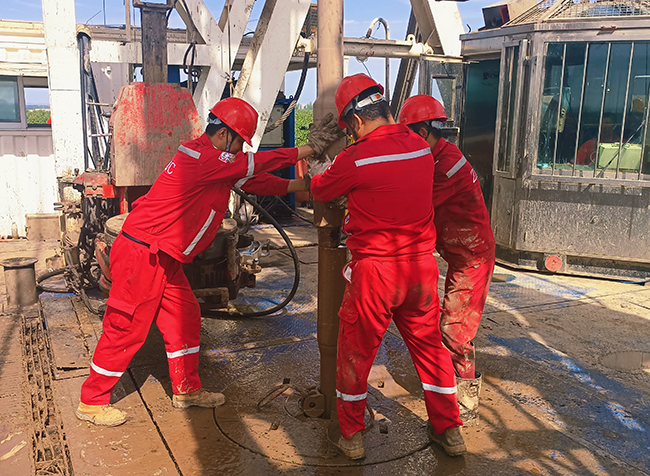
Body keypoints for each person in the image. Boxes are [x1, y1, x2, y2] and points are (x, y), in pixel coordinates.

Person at [77, 97, 342, 427]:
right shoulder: (201, 157)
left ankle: (186, 389)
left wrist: (303, 184)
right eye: (240, 143)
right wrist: (307, 149)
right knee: (127, 325)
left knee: (184, 316)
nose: (241, 151)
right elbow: (255, 165)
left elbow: (253, 180)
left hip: (163, 255)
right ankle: (92, 401)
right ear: (225, 135)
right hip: (142, 253)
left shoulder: (214, 159)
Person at [309, 74, 465, 459]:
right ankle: (449, 431)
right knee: (431, 351)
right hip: (421, 271)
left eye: (349, 129)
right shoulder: (420, 148)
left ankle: (351, 436)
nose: (350, 135)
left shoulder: (356, 158)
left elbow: (321, 188)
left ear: (355, 121)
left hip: (376, 274)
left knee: (355, 353)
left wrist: (318, 164)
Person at [398, 95, 495, 423]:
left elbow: (415, 206)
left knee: (455, 329)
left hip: (473, 258)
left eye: (409, 136)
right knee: (449, 323)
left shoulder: (446, 166)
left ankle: (464, 403)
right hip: (459, 253)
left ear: (424, 132)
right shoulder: (436, 156)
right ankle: (452, 389)